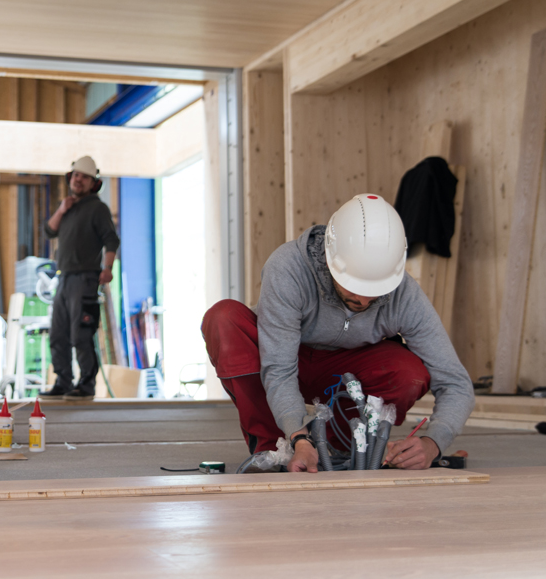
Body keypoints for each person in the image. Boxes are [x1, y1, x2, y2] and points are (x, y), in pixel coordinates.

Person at [201, 194, 475, 472]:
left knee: (408, 372)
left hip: (342, 374)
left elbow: (456, 383)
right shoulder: (288, 267)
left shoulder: (404, 295)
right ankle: (275, 448)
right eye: (353, 287)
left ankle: (339, 445)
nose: (365, 301)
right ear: (331, 259)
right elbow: (279, 368)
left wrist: (433, 442)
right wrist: (299, 436)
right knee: (224, 319)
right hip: (278, 356)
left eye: (375, 291)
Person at [39, 156, 120, 400]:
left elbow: (111, 239)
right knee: (58, 335)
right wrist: (62, 208)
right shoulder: (69, 208)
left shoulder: (98, 208)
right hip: (63, 279)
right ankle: (63, 382)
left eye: (84, 177)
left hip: (85, 279)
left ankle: (86, 385)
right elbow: (49, 230)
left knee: (81, 334)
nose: (78, 180)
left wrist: (107, 267)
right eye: (75, 175)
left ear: (93, 183)